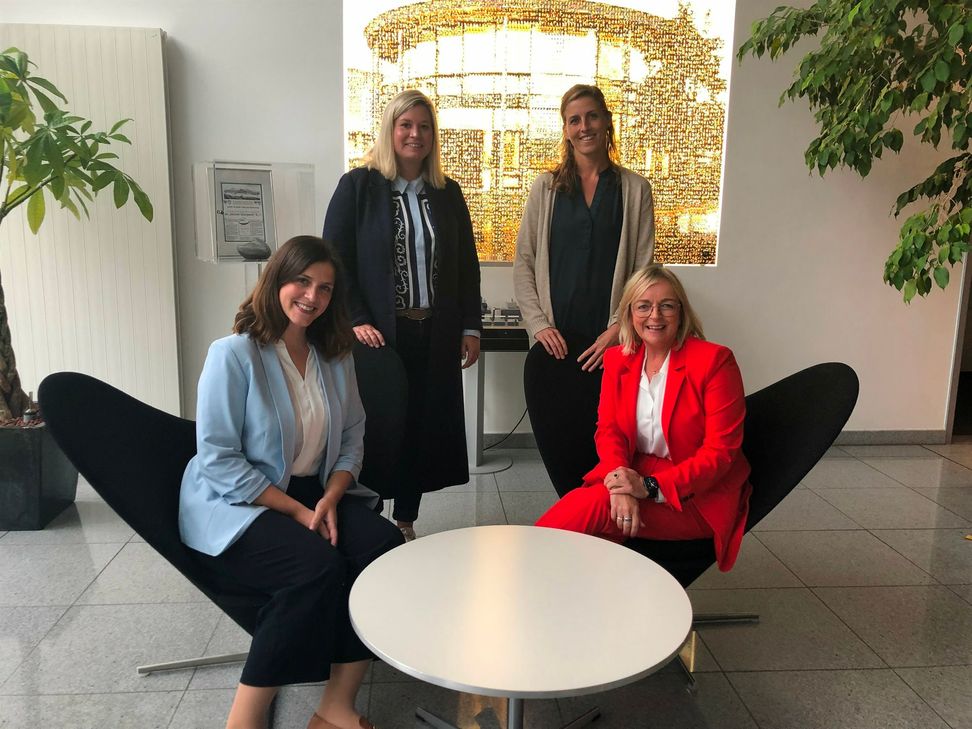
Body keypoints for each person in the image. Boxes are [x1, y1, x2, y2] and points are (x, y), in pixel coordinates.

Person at [179, 236, 404, 729]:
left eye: (324, 288)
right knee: (314, 568)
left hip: (316, 490)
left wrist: (331, 496)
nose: (312, 296)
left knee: (381, 547)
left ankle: (335, 706)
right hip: (241, 498)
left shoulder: (335, 355)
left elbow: (353, 436)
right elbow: (217, 457)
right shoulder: (234, 354)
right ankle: (243, 720)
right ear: (277, 281)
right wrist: (300, 512)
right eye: (301, 281)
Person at [323, 89, 482, 541]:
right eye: (406, 125)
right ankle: (367, 518)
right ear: (390, 130)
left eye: (424, 126)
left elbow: (466, 265)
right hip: (378, 337)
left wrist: (470, 326)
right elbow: (334, 259)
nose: (416, 134)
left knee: (421, 428)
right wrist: (356, 318)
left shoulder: (447, 193)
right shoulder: (358, 186)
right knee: (377, 428)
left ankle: (405, 522)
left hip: (435, 333)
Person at [535, 264, 751, 572]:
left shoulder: (715, 361)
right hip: (634, 470)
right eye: (643, 306)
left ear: (681, 312)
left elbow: (720, 454)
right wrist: (621, 484)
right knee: (591, 538)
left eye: (667, 306)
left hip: (699, 493)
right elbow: (609, 430)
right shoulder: (618, 359)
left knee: (593, 506)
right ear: (629, 313)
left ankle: (520, 570)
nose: (655, 316)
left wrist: (647, 486)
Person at [513, 83, 656, 496]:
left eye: (592, 116)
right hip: (556, 346)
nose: (584, 126)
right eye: (574, 120)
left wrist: (618, 329)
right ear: (565, 129)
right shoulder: (546, 188)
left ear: (607, 121)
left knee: (611, 447)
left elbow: (643, 271)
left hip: (610, 345)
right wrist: (539, 325)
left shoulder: (634, 190)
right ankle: (572, 514)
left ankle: (606, 518)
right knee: (564, 445)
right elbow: (524, 262)